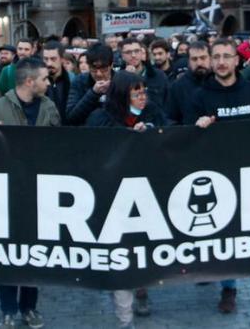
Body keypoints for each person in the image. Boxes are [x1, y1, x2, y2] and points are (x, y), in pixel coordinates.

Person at [191, 39, 250, 320]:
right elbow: (181, 133)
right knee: (225, 238)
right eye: (216, 56)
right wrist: (196, 127)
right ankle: (228, 288)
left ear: (236, 60)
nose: (221, 61)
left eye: (226, 56)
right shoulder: (200, 97)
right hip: (217, 179)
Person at [0, 58, 59, 328]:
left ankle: (29, 307)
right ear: (29, 81)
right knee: (7, 251)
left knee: (35, 252)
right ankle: (8, 309)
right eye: (45, 79)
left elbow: (61, 143)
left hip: (40, 191)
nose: (49, 83)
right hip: (6, 193)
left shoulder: (49, 106)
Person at [85, 70, 160, 325]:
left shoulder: (153, 113)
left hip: (146, 196)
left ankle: (140, 290)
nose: (142, 98)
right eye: (136, 94)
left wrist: (150, 131)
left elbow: (170, 132)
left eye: (144, 93)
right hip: (112, 197)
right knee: (120, 253)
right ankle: (124, 315)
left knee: (141, 251)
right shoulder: (100, 118)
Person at [117, 37, 169, 114]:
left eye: (137, 51)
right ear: (122, 56)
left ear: (142, 53)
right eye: (128, 52)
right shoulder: (117, 79)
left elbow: (168, 104)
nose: (133, 55)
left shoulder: (159, 76)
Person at [67, 43, 115, 126]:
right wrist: (93, 93)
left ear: (111, 65)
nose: (99, 74)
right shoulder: (79, 81)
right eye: (94, 69)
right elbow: (71, 117)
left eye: (103, 69)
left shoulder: (120, 80)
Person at [166, 41, 211, 124]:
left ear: (210, 58)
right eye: (194, 59)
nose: (199, 63)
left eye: (203, 58)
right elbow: (171, 119)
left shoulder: (219, 81)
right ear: (189, 61)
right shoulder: (177, 87)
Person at [41, 41, 73, 120]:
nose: (49, 63)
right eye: (46, 59)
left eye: (53, 59)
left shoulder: (72, 80)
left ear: (62, 59)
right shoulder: (38, 82)